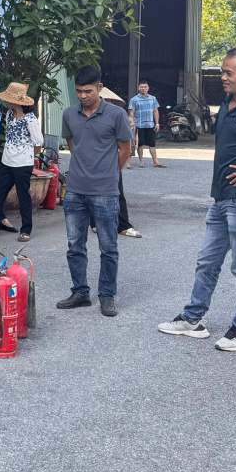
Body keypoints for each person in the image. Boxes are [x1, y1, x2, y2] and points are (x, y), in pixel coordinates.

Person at [158, 46, 236, 351]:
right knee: (207, 262)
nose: (222, 77)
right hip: (221, 199)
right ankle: (192, 318)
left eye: (228, 72)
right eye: (222, 71)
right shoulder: (226, 104)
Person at [56, 65, 133, 317]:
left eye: (88, 91)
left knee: (108, 247)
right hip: (75, 191)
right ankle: (80, 292)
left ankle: (107, 295)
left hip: (105, 192)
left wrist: (110, 173)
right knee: (74, 245)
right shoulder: (69, 114)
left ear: (100, 88)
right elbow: (73, 145)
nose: (83, 96)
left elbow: (125, 149)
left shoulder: (116, 115)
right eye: (78, 91)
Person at [0, 82, 43, 241]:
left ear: (16, 101)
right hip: (7, 162)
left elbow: (38, 143)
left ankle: (26, 230)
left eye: (8, 99)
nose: (6, 102)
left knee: (23, 197)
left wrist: (29, 157)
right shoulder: (9, 115)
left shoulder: (30, 119)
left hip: (23, 164)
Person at [129, 81, 164, 167]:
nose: (143, 89)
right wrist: (132, 122)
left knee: (152, 144)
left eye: (145, 87)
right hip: (139, 125)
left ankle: (155, 161)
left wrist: (157, 123)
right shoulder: (134, 100)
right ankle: (141, 162)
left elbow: (155, 111)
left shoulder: (153, 98)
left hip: (150, 125)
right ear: (138, 88)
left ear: (148, 88)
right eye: (141, 87)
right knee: (140, 144)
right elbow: (131, 112)